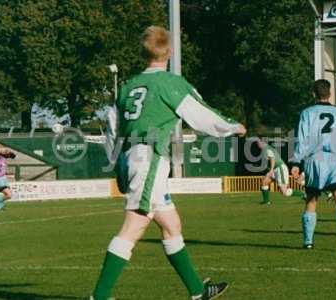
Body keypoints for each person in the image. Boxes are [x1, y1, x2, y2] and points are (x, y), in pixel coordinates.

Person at [91, 26, 246, 300]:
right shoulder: (170, 83)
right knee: (133, 226)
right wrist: (232, 126)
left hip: (131, 156)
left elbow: (113, 130)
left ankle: (198, 292)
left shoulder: (127, 86)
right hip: (149, 158)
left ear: (142, 53)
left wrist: (117, 164)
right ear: (170, 52)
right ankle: (100, 296)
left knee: (171, 224)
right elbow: (200, 113)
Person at [291, 79, 336, 251]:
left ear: (313, 94)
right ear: (330, 93)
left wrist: (297, 161)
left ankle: (308, 242)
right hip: (335, 158)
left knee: (311, 200)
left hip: (315, 159)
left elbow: (303, 139)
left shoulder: (307, 113)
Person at [257, 140, 303, 205]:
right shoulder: (266, 149)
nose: (257, 144)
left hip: (280, 168)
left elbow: (272, 159)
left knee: (285, 192)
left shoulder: (267, 149)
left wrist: (271, 170)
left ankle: (304, 194)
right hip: (276, 169)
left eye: (258, 143)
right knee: (265, 182)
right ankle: (266, 202)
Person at [0, 143, 16, 211]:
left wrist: (7, 152)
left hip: (2, 179)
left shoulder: (3, 158)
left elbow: (13, 155)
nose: (6, 152)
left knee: (6, 194)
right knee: (8, 194)